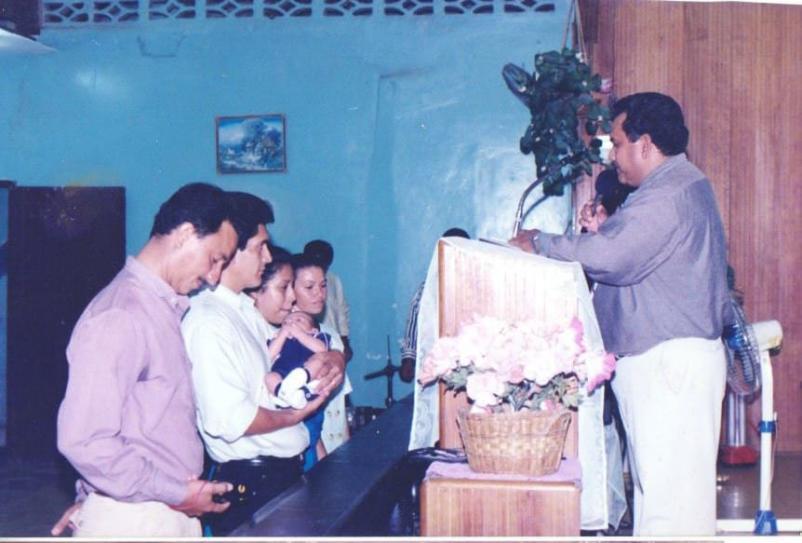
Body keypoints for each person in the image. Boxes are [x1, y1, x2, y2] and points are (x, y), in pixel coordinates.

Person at [509, 92, 731, 536]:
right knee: (661, 502)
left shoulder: (669, 193)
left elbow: (615, 257)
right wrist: (604, 231)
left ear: (645, 144)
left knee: (673, 510)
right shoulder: (673, 187)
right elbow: (634, 254)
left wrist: (541, 242)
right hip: (665, 366)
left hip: (669, 368)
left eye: (617, 143)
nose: (612, 155)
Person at [55, 183, 238, 537]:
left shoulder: (160, 309)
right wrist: (176, 493)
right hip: (137, 518)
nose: (214, 278)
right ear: (185, 234)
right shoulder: (121, 314)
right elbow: (84, 440)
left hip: (158, 510)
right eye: (214, 259)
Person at [181, 193, 344, 536]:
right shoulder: (209, 321)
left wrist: (333, 357)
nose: (268, 257)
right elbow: (227, 419)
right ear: (231, 247)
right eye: (260, 247)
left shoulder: (244, 312)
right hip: (254, 482)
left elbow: (303, 344)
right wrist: (296, 416)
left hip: (281, 474)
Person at [292, 252, 352, 463]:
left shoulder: (331, 335)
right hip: (303, 445)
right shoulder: (285, 337)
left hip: (331, 444)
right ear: (290, 289)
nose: (319, 294)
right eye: (309, 287)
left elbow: (340, 405)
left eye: (323, 285)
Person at [399, 227, 469, 383]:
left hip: (467, 365)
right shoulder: (428, 288)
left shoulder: (474, 287)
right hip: (434, 364)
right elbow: (414, 322)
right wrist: (408, 359)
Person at [264, 310, 331, 464]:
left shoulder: (316, 337)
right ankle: (284, 393)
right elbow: (268, 356)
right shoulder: (279, 339)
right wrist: (282, 335)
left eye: (299, 320)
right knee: (270, 378)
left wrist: (299, 334)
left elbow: (322, 349)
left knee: (317, 364)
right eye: (287, 321)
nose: (292, 322)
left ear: (313, 330)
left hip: (307, 376)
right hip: (284, 376)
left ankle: (300, 390)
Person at [303, 239, 352, 363]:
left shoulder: (334, 280)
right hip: (310, 339)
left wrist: (345, 340)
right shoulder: (302, 280)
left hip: (333, 338)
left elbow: (342, 310)